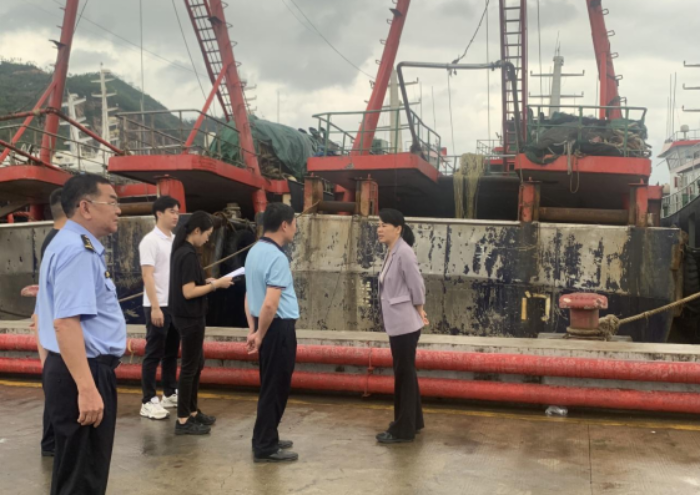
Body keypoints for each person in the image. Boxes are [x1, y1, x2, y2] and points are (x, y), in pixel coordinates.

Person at [35, 174, 126, 494]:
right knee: (84, 478)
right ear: (85, 207)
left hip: (68, 366)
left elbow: (47, 314)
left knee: (73, 473)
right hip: (84, 370)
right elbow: (65, 323)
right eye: (111, 202)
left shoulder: (62, 243)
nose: (118, 210)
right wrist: (87, 389)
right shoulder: (78, 250)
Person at [245, 202, 300, 463]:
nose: (295, 229)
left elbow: (249, 296)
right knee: (276, 387)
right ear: (284, 225)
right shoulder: (277, 257)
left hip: (264, 325)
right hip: (278, 328)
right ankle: (265, 446)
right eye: (295, 224)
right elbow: (270, 303)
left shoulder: (254, 251)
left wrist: (254, 329)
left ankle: (267, 436)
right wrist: (260, 334)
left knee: (269, 384)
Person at [169, 211, 233, 435]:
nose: (207, 239)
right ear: (196, 231)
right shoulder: (187, 254)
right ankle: (183, 420)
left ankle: (193, 411)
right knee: (189, 368)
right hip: (190, 317)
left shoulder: (183, 251)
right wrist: (216, 285)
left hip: (186, 316)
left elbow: (189, 282)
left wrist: (206, 280)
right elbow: (188, 292)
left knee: (197, 364)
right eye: (207, 234)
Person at [374, 208, 428, 444]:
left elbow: (417, 285)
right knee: (407, 373)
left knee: (403, 376)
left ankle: (403, 430)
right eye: (379, 225)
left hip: (405, 324)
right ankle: (413, 422)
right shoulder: (393, 251)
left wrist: (419, 309)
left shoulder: (404, 252)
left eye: (384, 225)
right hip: (398, 322)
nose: (379, 229)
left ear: (398, 229)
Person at [139, 195, 181, 420]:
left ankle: (169, 392)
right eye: (172, 211)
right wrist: (155, 307)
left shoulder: (174, 240)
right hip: (157, 305)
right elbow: (148, 275)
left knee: (171, 352)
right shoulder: (150, 241)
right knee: (153, 353)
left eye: (177, 212)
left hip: (173, 304)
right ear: (159, 213)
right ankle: (147, 400)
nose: (176, 216)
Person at [35, 187, 67, 457]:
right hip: (58, 335)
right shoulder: (61, 243)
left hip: (51, 332)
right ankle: (51, 444)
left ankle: (50, 443)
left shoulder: (52, 241)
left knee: (55, 393)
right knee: (59, 395)